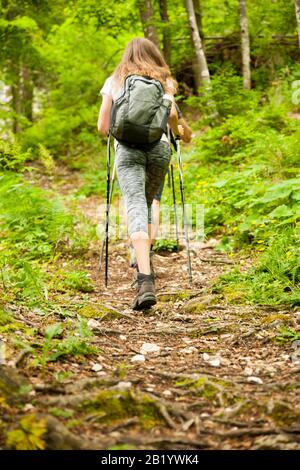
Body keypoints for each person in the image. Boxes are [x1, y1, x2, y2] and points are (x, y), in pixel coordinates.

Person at [98, 37, 183, 310]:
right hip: (159, 149)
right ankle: (145, 256)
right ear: (154, 55)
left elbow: (102, 126)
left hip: (128, 150)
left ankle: (145, 279)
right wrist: (178, 133)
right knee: (148, 205)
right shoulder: (165, 80)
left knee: (134, 204)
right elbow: (171, 121)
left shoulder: (115, 80)